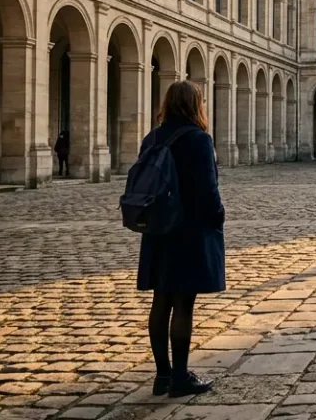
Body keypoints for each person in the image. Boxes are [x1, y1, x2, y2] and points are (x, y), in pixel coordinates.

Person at [137, 81, 224, 397]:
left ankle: (161, 375)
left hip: (158, 229)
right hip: (189, 231)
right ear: (195, 105)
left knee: (161, 300)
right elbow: (207, 192)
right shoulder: (199, 140)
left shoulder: (153, 137)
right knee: (183, 303)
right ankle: (180, 377)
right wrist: (218, 217)